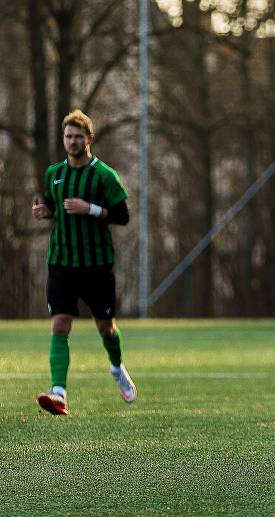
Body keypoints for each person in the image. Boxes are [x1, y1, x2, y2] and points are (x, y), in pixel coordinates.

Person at [32, 110, 137, 415]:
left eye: (78, 136)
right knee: (60, 324)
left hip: (96, 264)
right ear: (63, 139)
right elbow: (54, 209)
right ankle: (59, 393)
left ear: (89, 139)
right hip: (61, 262)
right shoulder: (53, 174)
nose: (73, 141)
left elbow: (122, 216)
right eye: (68, 136)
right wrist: (44, 212)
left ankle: (117, 368)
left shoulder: (104, 175)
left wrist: (89, 208)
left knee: (106, 327)